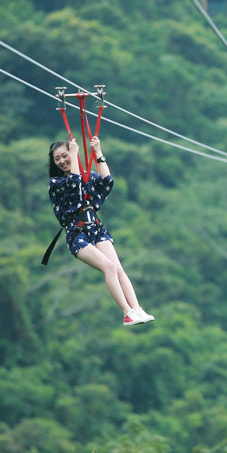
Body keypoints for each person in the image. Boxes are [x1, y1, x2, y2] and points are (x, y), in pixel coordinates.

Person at [48, 136, 154, 327]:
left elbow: (107, 182)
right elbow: (74, 185)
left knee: (119, 268)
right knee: (109, 267)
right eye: (58, 159)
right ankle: (127, 312)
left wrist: (98, 151)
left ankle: (137, 309)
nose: (63, 161)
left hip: (96, 229)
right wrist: (74, 153)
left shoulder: (87, 176)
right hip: (77, 234)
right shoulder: (56, 183)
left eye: (65, 156)